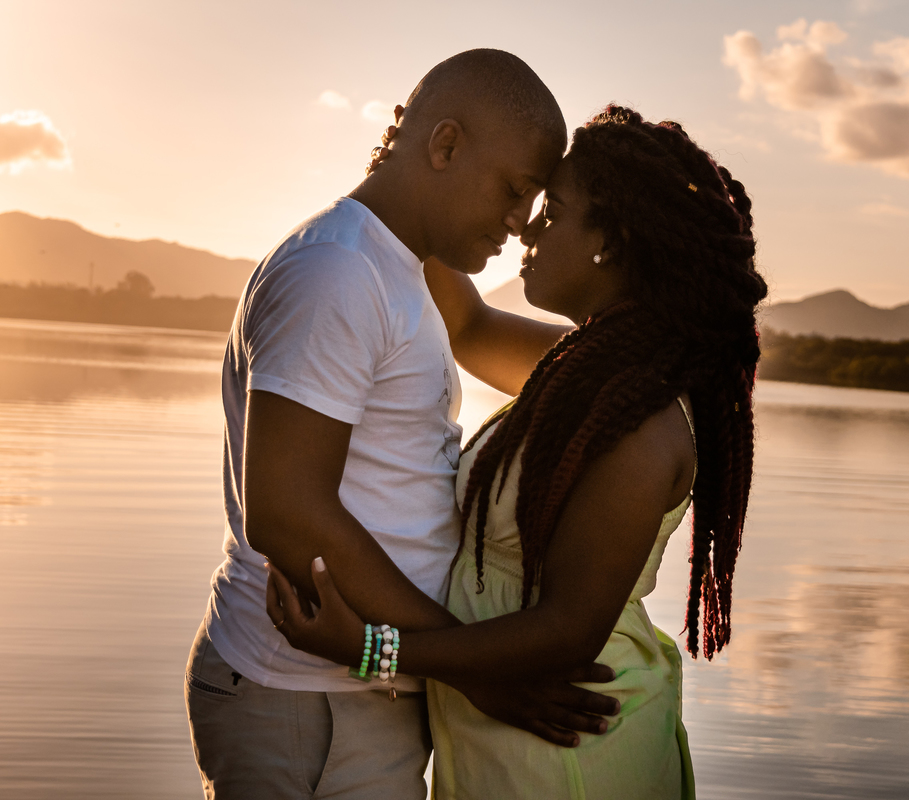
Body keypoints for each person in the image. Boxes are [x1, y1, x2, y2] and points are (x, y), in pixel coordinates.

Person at [266, 105, 768, 799]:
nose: (525, 226)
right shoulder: (583, 370)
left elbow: (565, 630)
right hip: (503, 737)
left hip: (570, 751)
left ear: (611, 243)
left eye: (553, 211)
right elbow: (467, 325)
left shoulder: (641, 424)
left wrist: (372, 648)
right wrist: (411, 167)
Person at [184, 49, 622, 800]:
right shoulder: (337, 272)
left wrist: (656, 353)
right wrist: (468, 666)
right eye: (516, 191)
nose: (522, 224)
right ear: (445, 146)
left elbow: (483, 335)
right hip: (302, 701)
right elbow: (289, 515)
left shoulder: (405, 269)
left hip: (355, 695)